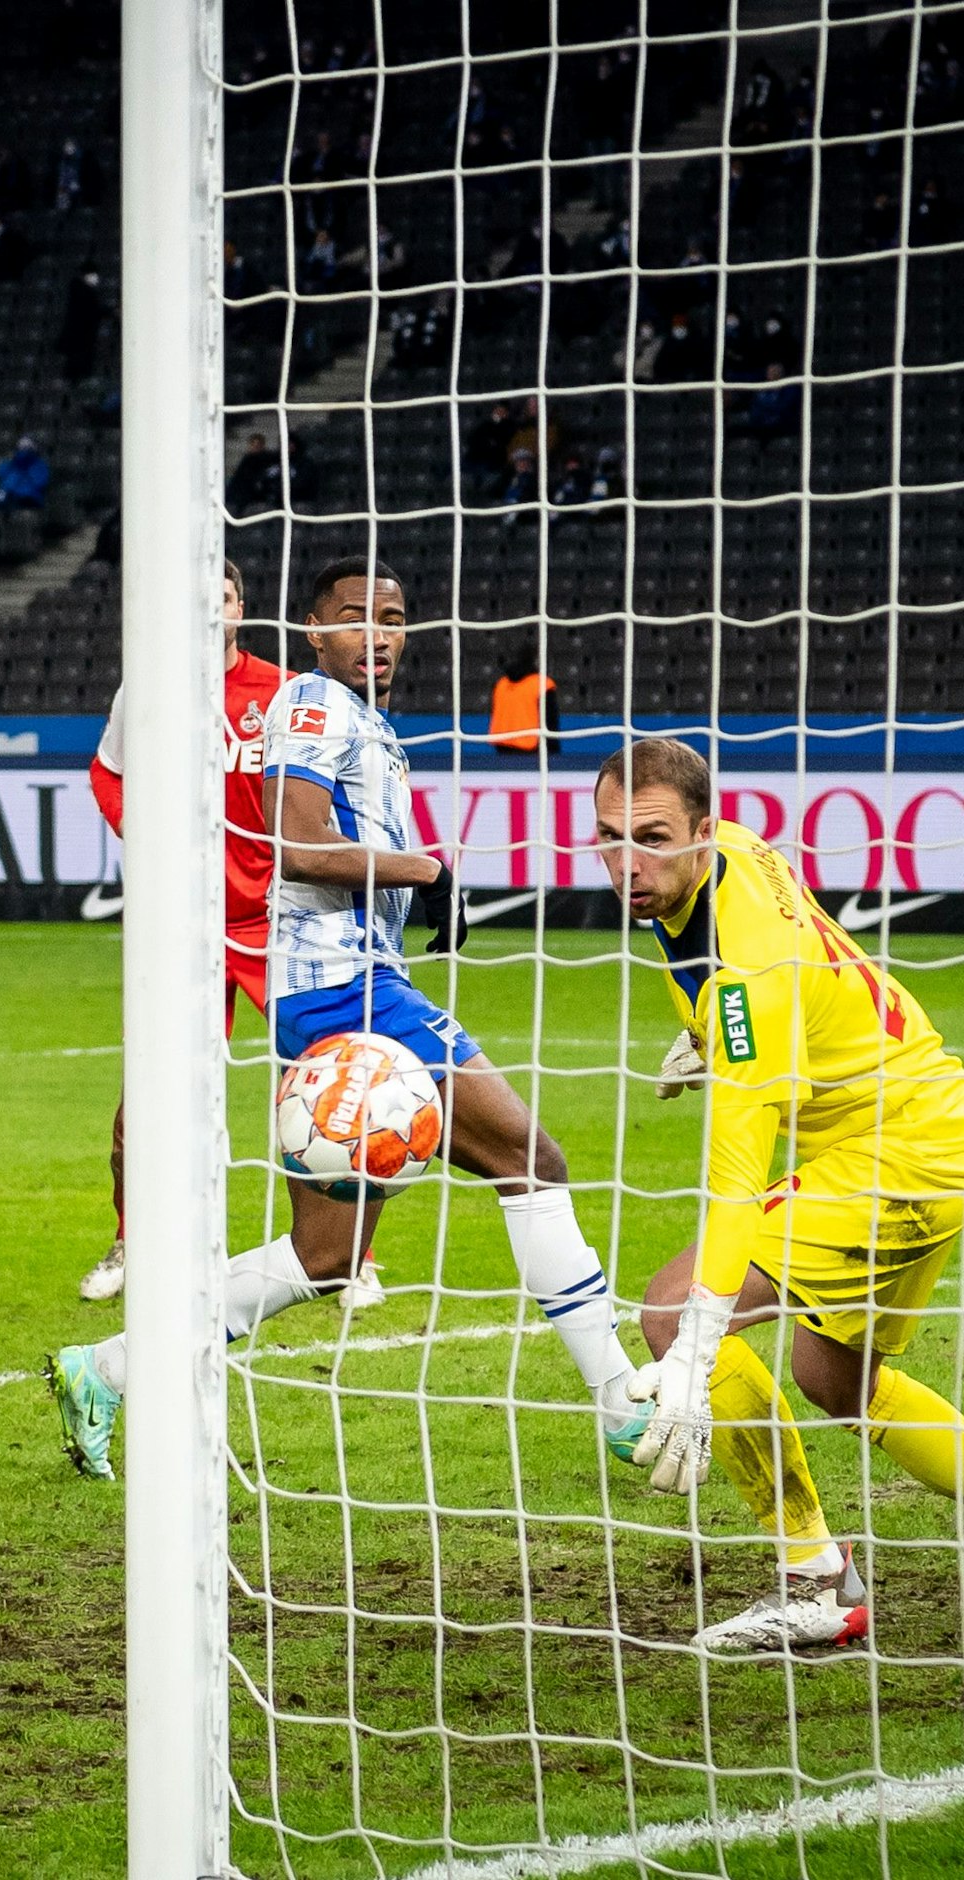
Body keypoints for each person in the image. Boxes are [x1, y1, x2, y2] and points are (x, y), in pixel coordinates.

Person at [47, 557, 648, 1481]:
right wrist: (428, 872)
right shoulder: (317, 707)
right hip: (342, 986)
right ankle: (620, 1402)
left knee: (327, 1257)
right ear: (314, 631)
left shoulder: (359, 719)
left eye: (395, 618)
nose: (378, 634)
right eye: (355, 617)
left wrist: (414, 885)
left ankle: (109, 1368)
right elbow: (296, 842)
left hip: (327, 985)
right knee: (530, 1160)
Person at [596, 737, 964, 1650]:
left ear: (699, 829)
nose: (627, 863)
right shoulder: (734, 849)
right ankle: (824, 1581)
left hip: (894, 1152)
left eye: (651, 838)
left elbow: (734, 1182)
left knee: (671, 1308)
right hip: (923, 1117)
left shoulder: (745, 976)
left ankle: (815, 1579)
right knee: (836, 1381)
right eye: (608, 838)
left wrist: (691, 1355)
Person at [75, 558, 384, 1308]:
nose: (208, 610)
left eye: (220, 597)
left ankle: (353, 1259)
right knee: (148, 1096)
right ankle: (132, 1242)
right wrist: (140, 835)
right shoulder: (144, 689)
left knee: (330, 1090)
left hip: (283, 920)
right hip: (186, 929)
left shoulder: (283, 692)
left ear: (240, 608)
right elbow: (108, 773)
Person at [489, 644, 560, 757]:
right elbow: (550, 722)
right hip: (530, 747)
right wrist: (554, 754)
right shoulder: (542, 684)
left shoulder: (501, 683)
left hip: (501, 746)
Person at [0, 436, 50, 510]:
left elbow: (39, 483)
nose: (24, 449)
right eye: (21, 446)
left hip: (30, 497)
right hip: (8, 496)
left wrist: (25, 467)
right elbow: (0, 473)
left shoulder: (40, 465)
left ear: (34, 448)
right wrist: (11, 463)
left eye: (27, 446)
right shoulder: (11, 462)